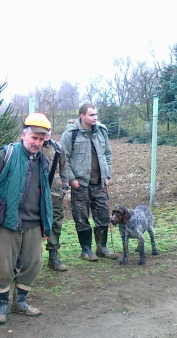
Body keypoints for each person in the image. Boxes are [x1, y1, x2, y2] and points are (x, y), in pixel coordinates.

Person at [0, 113, 53, 324]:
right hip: (7, 221)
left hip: (33, 223)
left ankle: (20, 302)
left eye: (41, 139)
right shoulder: (6, 154)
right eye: (34, 138)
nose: (37, 143)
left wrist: (47, 224)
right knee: (3, 266)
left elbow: (45, 194)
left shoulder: (43, 162)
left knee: (34, 263)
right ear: (23, 135)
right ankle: (3, 305)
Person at [61, 103, 117, 261]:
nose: (95, 117)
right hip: (81, 184)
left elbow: (107, 154)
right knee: (81, 217)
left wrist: (107, 175)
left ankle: (102, 247)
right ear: (82, 116)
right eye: (92, 115)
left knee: (103, 215)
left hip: (99, 183)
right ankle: (86, 250)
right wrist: (72, 179)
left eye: (96, 114)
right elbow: (64, 159)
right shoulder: (70, 134)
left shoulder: (101, 131)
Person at [41, 129, 69, 271]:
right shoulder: (32, 146)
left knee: (56, 223)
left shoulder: (57, 147)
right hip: (35, 194)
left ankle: (53, 257)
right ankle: (27, 260)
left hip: (55, 194)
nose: (47, 133)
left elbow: (64, 167)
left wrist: (64, 186)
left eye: (49, 130)